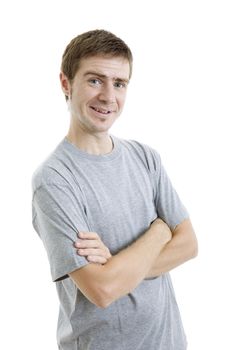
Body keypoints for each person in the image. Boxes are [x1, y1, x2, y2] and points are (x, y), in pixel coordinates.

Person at [31, 29, 198, 350]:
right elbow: (103, 289)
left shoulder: (145, 158)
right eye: (95, 80)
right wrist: (161, 231)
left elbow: (189, 244)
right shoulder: (54, 180)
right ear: (66, 83)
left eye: (119, 83)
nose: (109, 96)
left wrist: (117, 266)